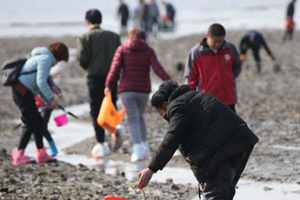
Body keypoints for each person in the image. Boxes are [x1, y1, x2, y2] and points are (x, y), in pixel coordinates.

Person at [137, 80, 259, 200]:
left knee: (216, 192)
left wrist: (151, 169)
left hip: (223, 151)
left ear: (164, 104)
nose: (164, 116)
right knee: (223, 192)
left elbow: (171, 139)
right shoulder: (195, 98)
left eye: (161, 112)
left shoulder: (178, 107)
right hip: (241, 142)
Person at [105, 28, 170, 162]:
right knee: (139, 117)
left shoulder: (122, 49)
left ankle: (138, 149)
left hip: (126, 90)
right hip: (143, 90)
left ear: (129, 37)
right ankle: (144, 147)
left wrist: (108, 85)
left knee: (133, 118)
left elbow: (114, 69)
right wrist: (169, 81)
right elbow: (157, 68)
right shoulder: (148, 50)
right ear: (143, 37)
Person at [11, 42, 69, 166]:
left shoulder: (42, 57)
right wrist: (51, 99)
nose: (58, 64)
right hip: (22, 92)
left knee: (35, 122)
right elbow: (41, 82)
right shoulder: (46, 59)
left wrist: (49, 97)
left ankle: (41, 153)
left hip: (24, 92)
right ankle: (19, 155)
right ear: (58, 56)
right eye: (60, 61)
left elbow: (42, 82)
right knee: (31, 123)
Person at [77, 9, 121, 158]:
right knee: (111, 106)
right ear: (101, 20)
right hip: (112, 77)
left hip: (94, 77)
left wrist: (89, 66)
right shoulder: (113, 36)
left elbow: (83, 60)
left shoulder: (85, 37)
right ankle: (114, 133)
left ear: (87, 21)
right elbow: (119, 57)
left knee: (96, 109)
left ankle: (101, 142)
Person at [184, 23, 241, 112]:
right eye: (215, 41)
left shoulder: (230, 49)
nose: (218, 44)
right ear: (207, 37)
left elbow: (237, 66)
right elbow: (190, 77)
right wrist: (189, 97)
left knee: (230, 125)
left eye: (220, 41)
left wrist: (229, 79)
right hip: (206, 100)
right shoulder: (196, 52)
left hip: (228, 98)